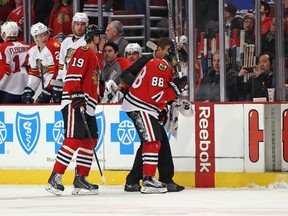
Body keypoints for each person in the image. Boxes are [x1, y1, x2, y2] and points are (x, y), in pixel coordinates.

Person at [120, 37, 186, 192]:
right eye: (177, 59)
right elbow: (156, 94)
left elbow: (158, 93)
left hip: (146, 106)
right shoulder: (159, 65)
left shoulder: (161, 65)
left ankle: (142, 179)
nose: (179, 63)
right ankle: (148, 179)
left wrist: (164, 105)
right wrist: (174, 90)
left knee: (155, 140)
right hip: (141, 105)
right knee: (152, 140)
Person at [46, 24, 103, 196]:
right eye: (101, 37)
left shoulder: (94, 55)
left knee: (90, 138)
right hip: (75, 102)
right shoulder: (83, 50)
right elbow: (72, 75)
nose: (103, 40)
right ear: (95, 38)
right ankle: (55, 177)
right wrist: (76, 94)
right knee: (73, 139)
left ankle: (80, 179)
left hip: (88, 104)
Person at [53, 12, 91, 103]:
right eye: (77, 24)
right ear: (73, 25)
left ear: (86, 26)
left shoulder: (88, 42)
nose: (79, 27)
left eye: (82, 24)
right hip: (66, 84)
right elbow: (62, 64)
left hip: (81, 84)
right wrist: (59, 81)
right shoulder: (66, 41)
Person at [22, 22, 61, 103]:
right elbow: (35, 72)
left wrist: (49, 89)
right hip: (48, 86)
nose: (44, 38)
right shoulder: (32, 49)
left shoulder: (54, 45)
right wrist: (30, 89)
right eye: (40, 36)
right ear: (35, 38)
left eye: (45, 34)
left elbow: (57, 71)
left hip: (59, 85)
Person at [0, 21, 29, 103]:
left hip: (8, 88)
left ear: (4, 33)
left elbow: (5, 70)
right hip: (25, 87)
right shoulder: (26, 45)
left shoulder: (2, 47)